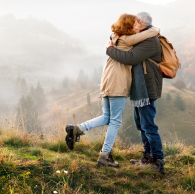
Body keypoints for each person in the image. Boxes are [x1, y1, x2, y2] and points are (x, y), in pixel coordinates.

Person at [65, 13, 159, 167]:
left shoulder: (115, 37)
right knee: (115, 121)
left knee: (107, 116)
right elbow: (150, 33)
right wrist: (156, 29)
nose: (137, 27)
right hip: (118, 82)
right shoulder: (127, 39)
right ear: (129, 26)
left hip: (107, 80)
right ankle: (104, 155)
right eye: (135, 24)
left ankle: (78, 129)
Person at [106, 11, 165, 174]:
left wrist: (110, 50)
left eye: (135, 22)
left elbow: (131, 58)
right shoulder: (144, 36)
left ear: (140, 22)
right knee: (141, 123)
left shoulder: (150, 40)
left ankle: (157, 159)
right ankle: (147, 156)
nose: (134, 25)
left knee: (148, 125)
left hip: (146, 87)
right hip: (140, 87)